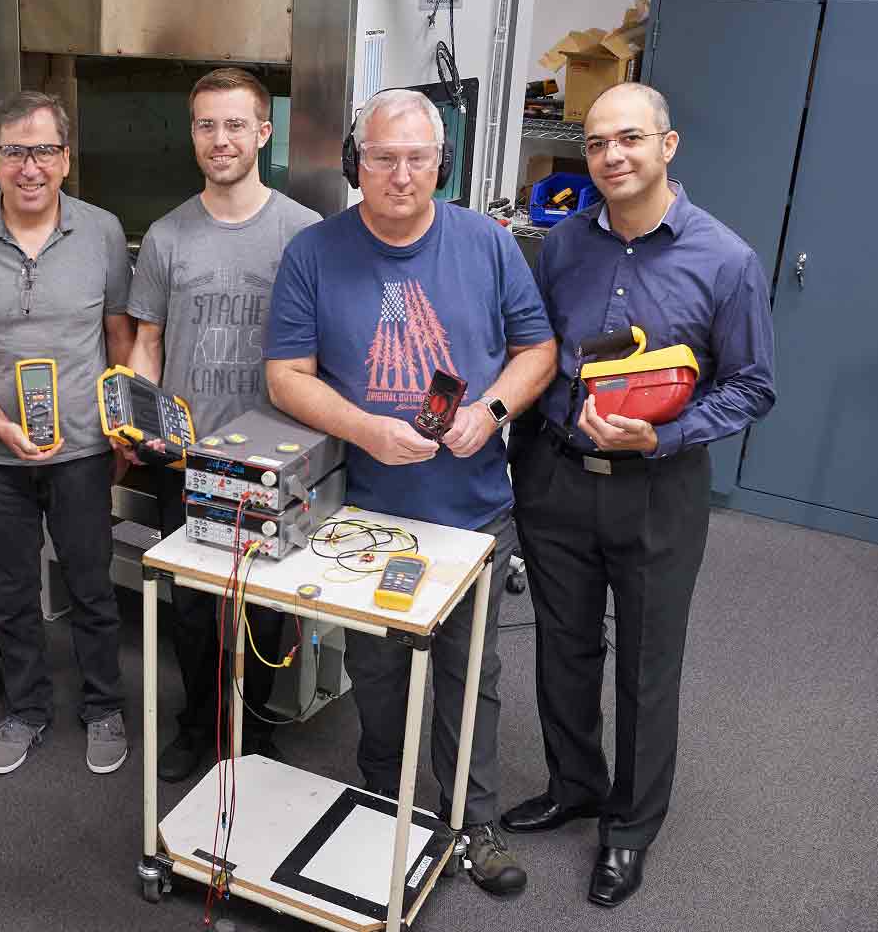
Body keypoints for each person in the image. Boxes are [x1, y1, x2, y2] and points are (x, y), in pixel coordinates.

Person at [265, 88, 557, 897]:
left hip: (472, 513)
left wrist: (490, 410)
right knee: (377, 667)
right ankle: (380, 796)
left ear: (442, 164)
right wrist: (363, 428)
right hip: (367, 515)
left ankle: (476, 817)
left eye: (417, 158)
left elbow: (539, 349)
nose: (400, 174)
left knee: (473, 672)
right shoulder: (315, 253)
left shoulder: (488, 243)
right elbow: (284, 377)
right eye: (383, 158)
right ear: (359, 163)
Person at [502, 82, 776, 907]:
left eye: (629, 139)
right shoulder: (563, 246)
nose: (612, 156)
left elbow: (753, 387)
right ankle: (575, 784)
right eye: (595, 144)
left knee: (649, 668)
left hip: (658, 490)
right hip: (558, 483)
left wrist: (665, 434)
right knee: (563, 647)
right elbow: (542, 355)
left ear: (668, 145)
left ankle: (629, 829)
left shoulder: (725, 260)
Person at [0, 91, 135, 777]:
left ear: (66, 158)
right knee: (12, 591)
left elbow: (117, 336)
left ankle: (104, 704)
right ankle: (26, 708)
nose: (29, 166)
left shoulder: (103, 231)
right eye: (15, 151)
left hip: (82, 449)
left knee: (91, 585)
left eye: (43, 150)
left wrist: (123, 423)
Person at [124, 67, 320, 781]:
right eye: (207, 124)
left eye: (236, 124)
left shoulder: (304, 233)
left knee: (264, 613)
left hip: (273, 465)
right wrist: (139, 419)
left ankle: (255, 731)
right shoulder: (169, 236)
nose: (220, 138)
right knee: (193, 609)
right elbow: (146, 342)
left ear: (264, 132)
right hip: (188, 461)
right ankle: (196, 725)